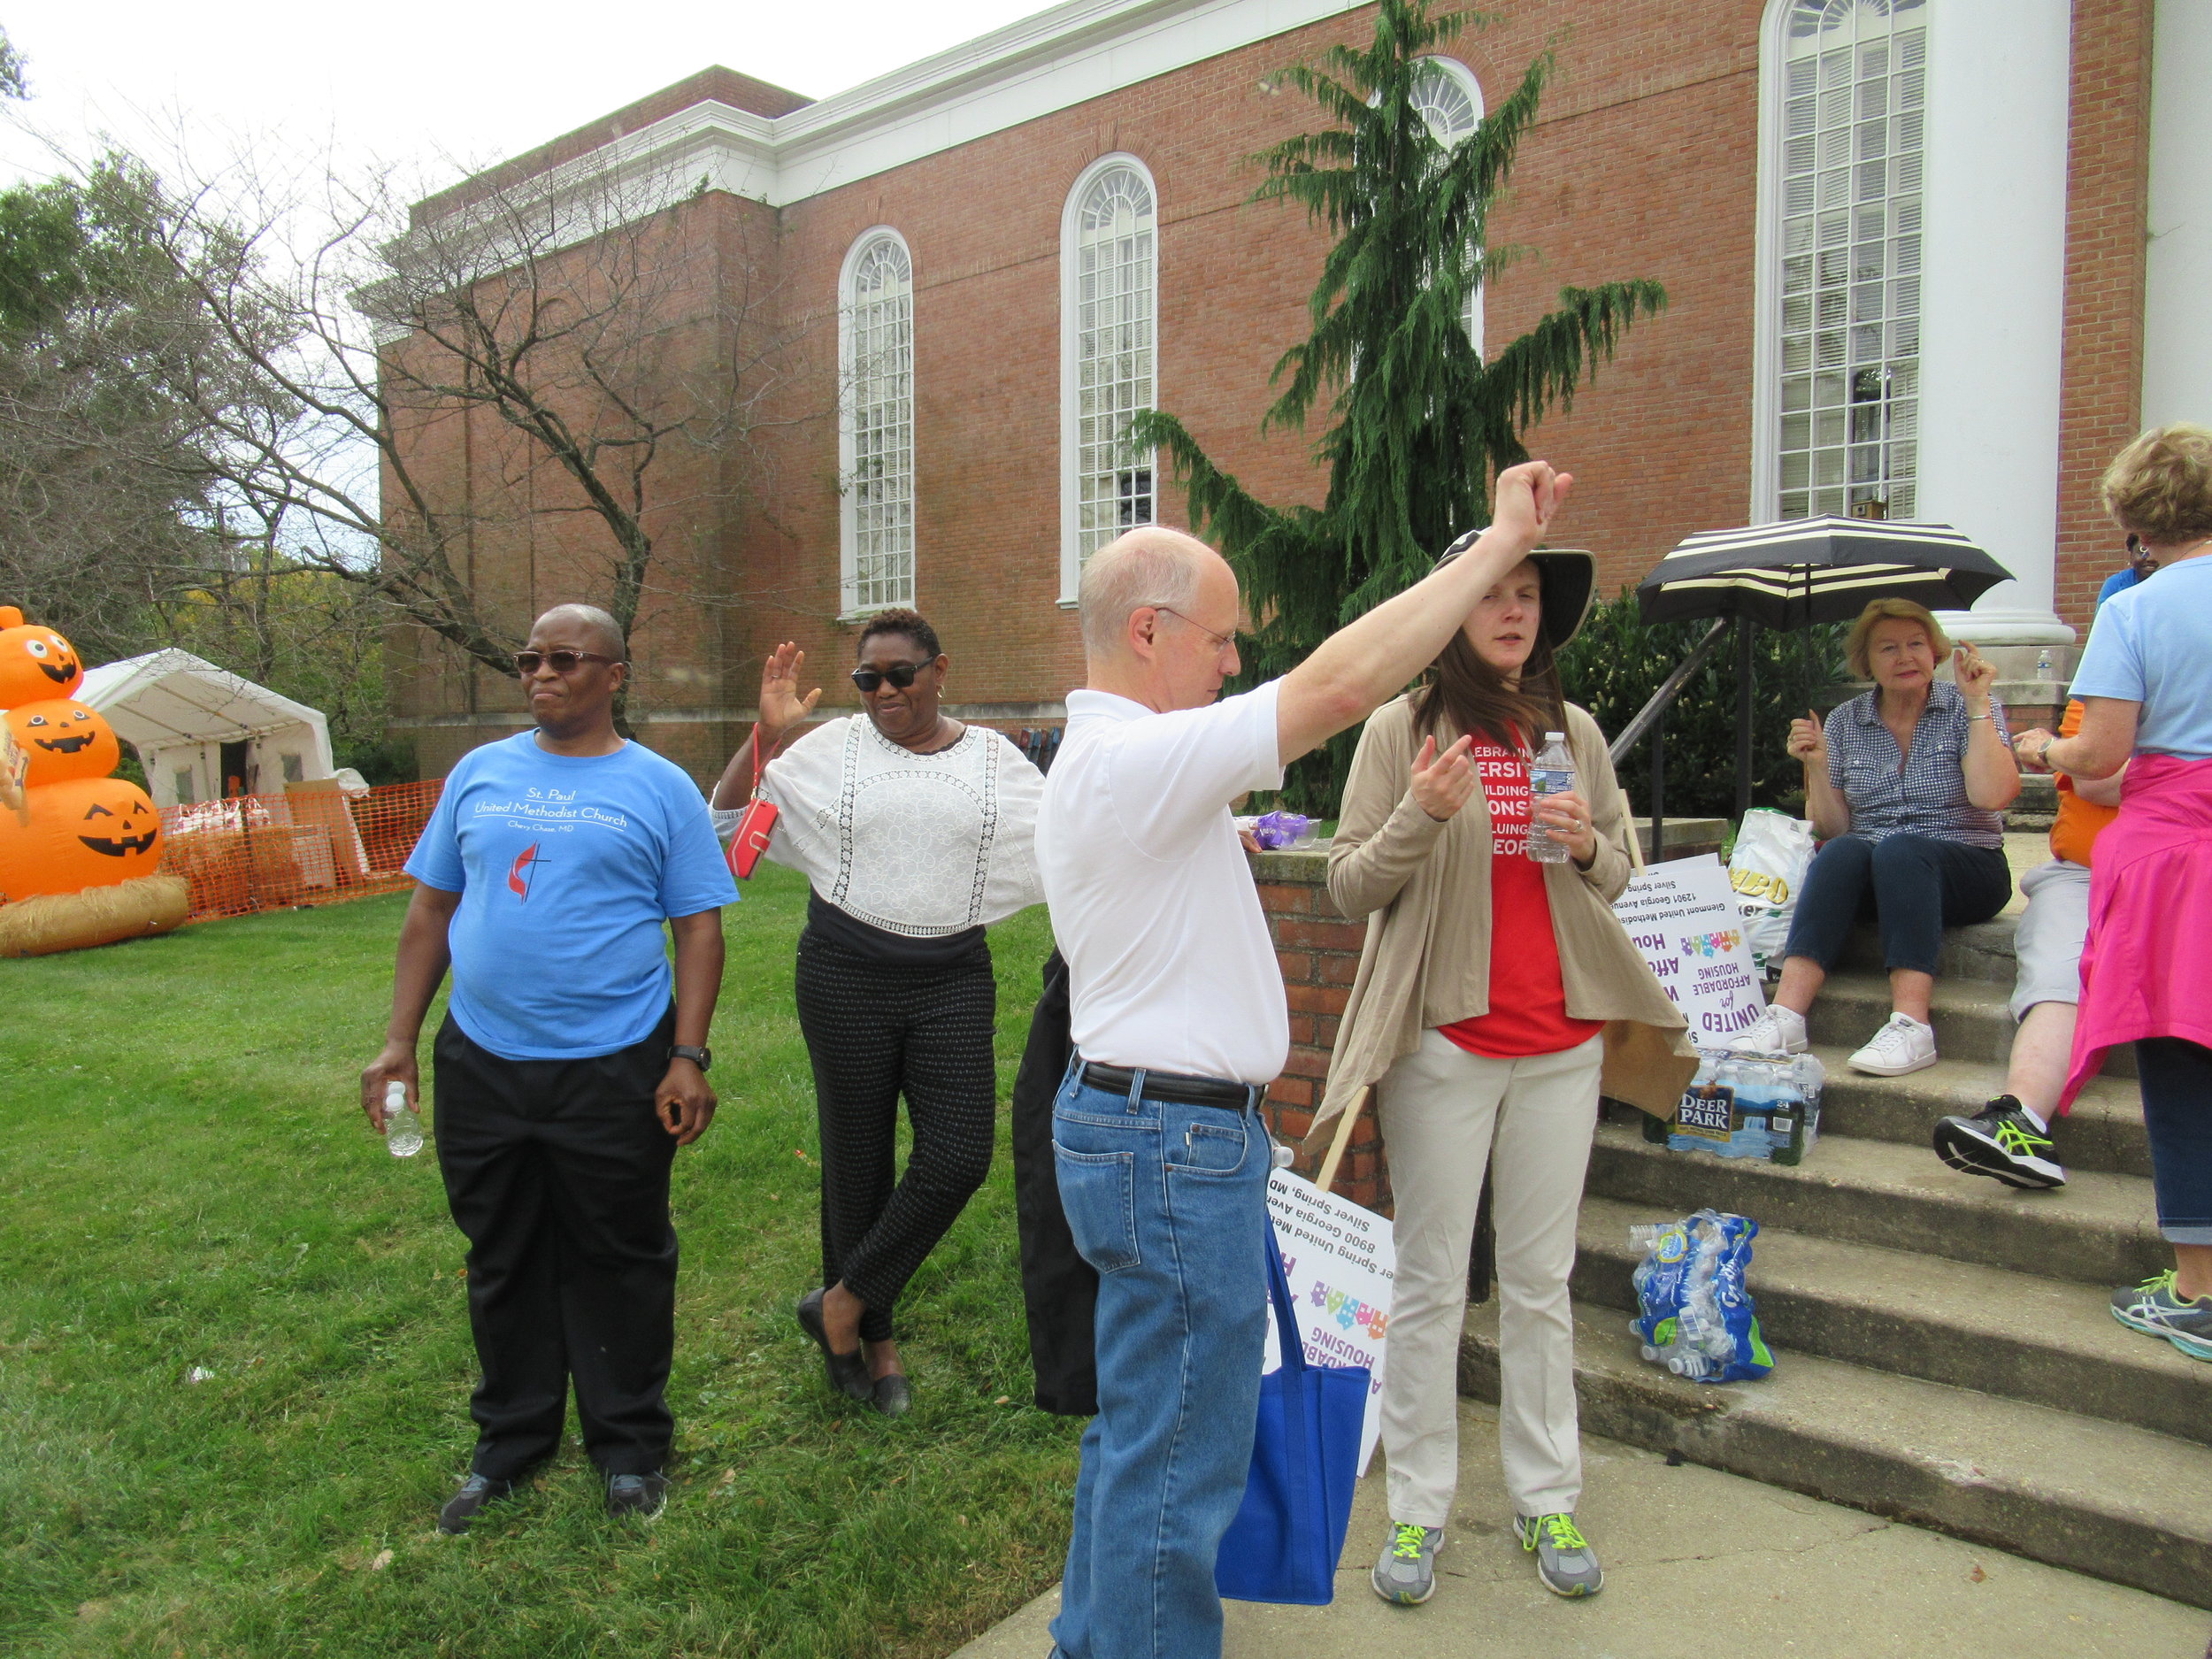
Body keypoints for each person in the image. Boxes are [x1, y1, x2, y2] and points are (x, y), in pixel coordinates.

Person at [1038, 458, 1575, 1659]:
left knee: (1143, 1429)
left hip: (1149, 1131)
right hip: (1170, 1144)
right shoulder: (1135, 759)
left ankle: (1093, 1635)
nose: (1233, 661)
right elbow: (1337, 685)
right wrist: (1496, 548)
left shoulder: (1119, 765)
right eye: (1220, 640)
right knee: (1182, 1453)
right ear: (1146, 630)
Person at [1317, 540, 1694, 1606]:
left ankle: (1545, 1497)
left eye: (1526, 595)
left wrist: (1584, 850)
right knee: (1431, 1284)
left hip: (1561, 1048)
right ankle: (1416, 1514)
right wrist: (1421, 815)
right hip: (1441, 1047)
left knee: (1540, 1285)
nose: (1513, 610)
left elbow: (1619, 874)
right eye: (1492, 592)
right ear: (1453, 612)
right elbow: (1347, 885)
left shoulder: (1569, 734)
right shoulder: (1403, 730)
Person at [359, 604, 735, 1534]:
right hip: (483, 1060)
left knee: (622, 1256)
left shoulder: (659, 787)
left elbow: (698, 929)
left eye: (564, 659)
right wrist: (400, 1039)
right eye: (529, 658)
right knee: (502, 1255)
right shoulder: (480, 776)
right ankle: (510, 1447)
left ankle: (630, 1449)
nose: (541, 674)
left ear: (615, 673)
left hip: (615, 1064)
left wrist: (686, 1056)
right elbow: (429, 913)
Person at [710, 609, 1043, 1416]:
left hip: (952, 978)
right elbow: (725, 818)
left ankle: (841, 1300)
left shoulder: (995, 758)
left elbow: (1072, 834)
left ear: (939, 669)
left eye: (901, 674)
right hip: (844, 975)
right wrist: (766, 735)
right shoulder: (830, 748)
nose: (884, 691)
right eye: (868, 679)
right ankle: (873, 1340)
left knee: (959, 1154)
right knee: (856, 1163)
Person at [2019, 422, 2212, 1363]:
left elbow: (2101, 756)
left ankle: (2197, 1289)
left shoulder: (2134, 609)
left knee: (2180, 1066)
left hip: (2177, 861)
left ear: (2135, 523)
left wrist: (2042, 749)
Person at [1728, 598, 2019, 1075]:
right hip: (1881, 874)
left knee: (1901, 849)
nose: (1905, 657)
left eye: (1916, 644)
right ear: (1867, 662)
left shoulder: (1967, 709)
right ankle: (1785, 1015)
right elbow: (1832, 827)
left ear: (1936, 651)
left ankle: (1911, 1025)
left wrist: (1977, 705)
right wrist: (1817, 766)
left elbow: (1993, 796)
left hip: (1968, 866)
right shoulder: (1844, 721)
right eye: (1889, 648)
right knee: (1843, 850)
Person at [1929, 695, 2124, 1189]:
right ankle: (2023, 1126)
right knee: (2059, 974)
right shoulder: (2107, 687)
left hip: (2188, 868)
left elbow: (2096, 764)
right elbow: (2099, 779)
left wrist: (2049, 749)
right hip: (2087, 873)